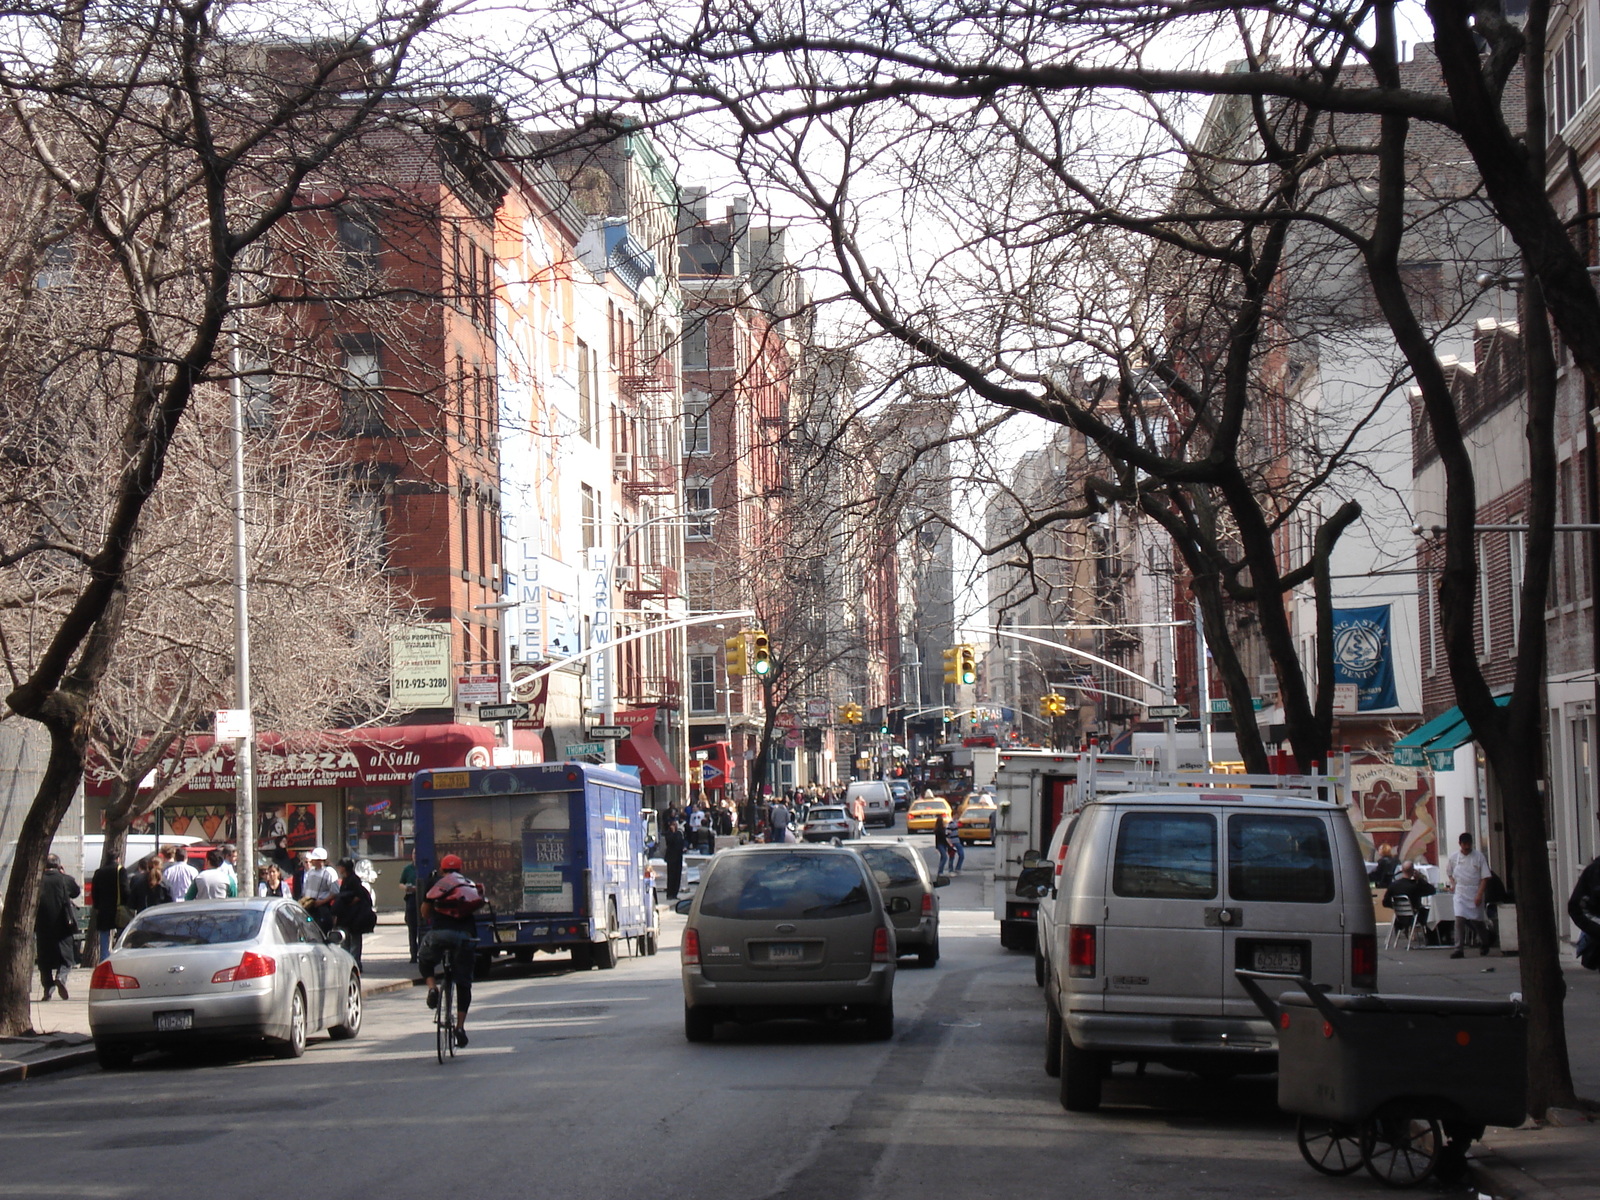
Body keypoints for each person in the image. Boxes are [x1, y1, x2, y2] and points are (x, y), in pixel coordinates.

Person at [419, 854, 484, 1048]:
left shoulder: (436, 883)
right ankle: (460, 1027)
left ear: (442, 868)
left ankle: (432, 988)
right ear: (461, 868)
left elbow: (424, 911)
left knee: (425, 959)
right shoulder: (467, 884)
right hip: (464, 936)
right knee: (464, 983)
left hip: (439, 934)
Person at [35, 855, 81, 1001]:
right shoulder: (64, 879)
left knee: (44, 960)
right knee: (67, 958)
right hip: (63, 925)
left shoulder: (37, 880)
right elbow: (76, 892)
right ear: (59, 866)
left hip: (42, 925)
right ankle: (61, 977)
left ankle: (47, 989)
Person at [1445, 831, 1492, 957]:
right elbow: (1449, 872)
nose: (1467, 847)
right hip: (1461, 891)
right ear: (1460, 844)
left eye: (1469, 844)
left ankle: (1485, 941)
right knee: (1459, 919)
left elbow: (1485, 877)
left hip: (1474, 889)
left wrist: (1479, 894)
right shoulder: (1454, 857)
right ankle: (1458, 948)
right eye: (1464, 844)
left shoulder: (1479, 857)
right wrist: (1453, 883)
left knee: (1477, 920)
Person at [331, 858, 376, 965]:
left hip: (355, 915)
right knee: (345, 940)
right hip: (347, 915)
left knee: (355, 940)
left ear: (344, 868)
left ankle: (355, 963)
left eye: (340, 866)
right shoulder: (345, 879)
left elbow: (358, 896)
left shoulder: (353, 880)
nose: (338, 868)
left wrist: (349, 903)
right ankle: (347, 963)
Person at [90, 849, 125, 963]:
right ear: (118, 859)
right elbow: (124, 888)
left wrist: (97, 906)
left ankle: (104, 959)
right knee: (121, 934)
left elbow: (94, 891)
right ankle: (119, 958)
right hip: (118, 908)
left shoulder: (99, 872)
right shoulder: (120, 870)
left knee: (104, 935)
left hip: (104, 908)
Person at [1383, 860, 1438, 926]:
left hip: (1399, 917)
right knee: (1432, 914)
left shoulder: (1393, 886)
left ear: (1402, 870)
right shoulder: (1415, 886)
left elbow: (1385, 902)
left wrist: (1397, 907)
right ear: (1413, 871)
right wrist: (1419, 879)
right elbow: (1432, 890)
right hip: (1415, 917)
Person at [299, 847, 340, 931]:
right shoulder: (311, 872)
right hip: (309, 905)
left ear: (320, 860)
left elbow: (335, 892)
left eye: (314, 859)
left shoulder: (329, 872)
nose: (312, 861)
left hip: (322, 906)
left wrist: (321, 902)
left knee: (321, 929)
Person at [401, 858, 420, 962]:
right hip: (411, 899)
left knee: (422, 930)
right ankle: (413, 954)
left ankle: (423, 953)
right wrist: (406, 888)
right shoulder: (408, 869)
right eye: (414, 854)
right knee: (412, 930)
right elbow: (401, 883)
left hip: (422, 899)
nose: (415, 856)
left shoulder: (423, 867)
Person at [663, 817, 686, 900]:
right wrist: (672, 832)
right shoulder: (669, 833)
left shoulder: (679, 833)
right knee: (671, 876)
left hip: (678, 857)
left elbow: (681, 842)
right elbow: (670, 841)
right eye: (673, 824)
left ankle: (675, 893)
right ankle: (670, 894)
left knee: (677, 876)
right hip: (671, 858)